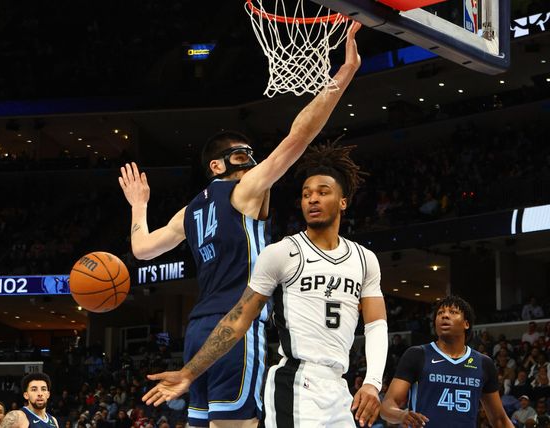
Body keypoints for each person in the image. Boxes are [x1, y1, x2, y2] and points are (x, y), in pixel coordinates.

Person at [119, 21, 363, 428]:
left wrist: (138, 206)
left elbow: (142, 249)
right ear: (217, 166)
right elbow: (299, 137)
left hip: (198, 332)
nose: (251, 160)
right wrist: (345, 73)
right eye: (240, 155)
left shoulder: (189, 213)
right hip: (235, 327)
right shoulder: (245, 189)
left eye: (251, 153)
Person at [141, 143, 388, 428]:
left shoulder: (364, 259)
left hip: (338, 387)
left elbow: (376, 325)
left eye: (323, 192)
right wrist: (190, 372)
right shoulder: (282, 253)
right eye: (306, 194)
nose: (312, 199)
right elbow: (238, 318)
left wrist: (372, 382)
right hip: (296, 384)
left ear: (343, 202)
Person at [380, 296, 513, 427]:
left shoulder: (483, 363)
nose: (445, 316)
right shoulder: (417, 355)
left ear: (466, 324)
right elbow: (387, 405)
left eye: (453, 312)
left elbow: (500, 420)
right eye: (440, 313)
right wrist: (401, 415)